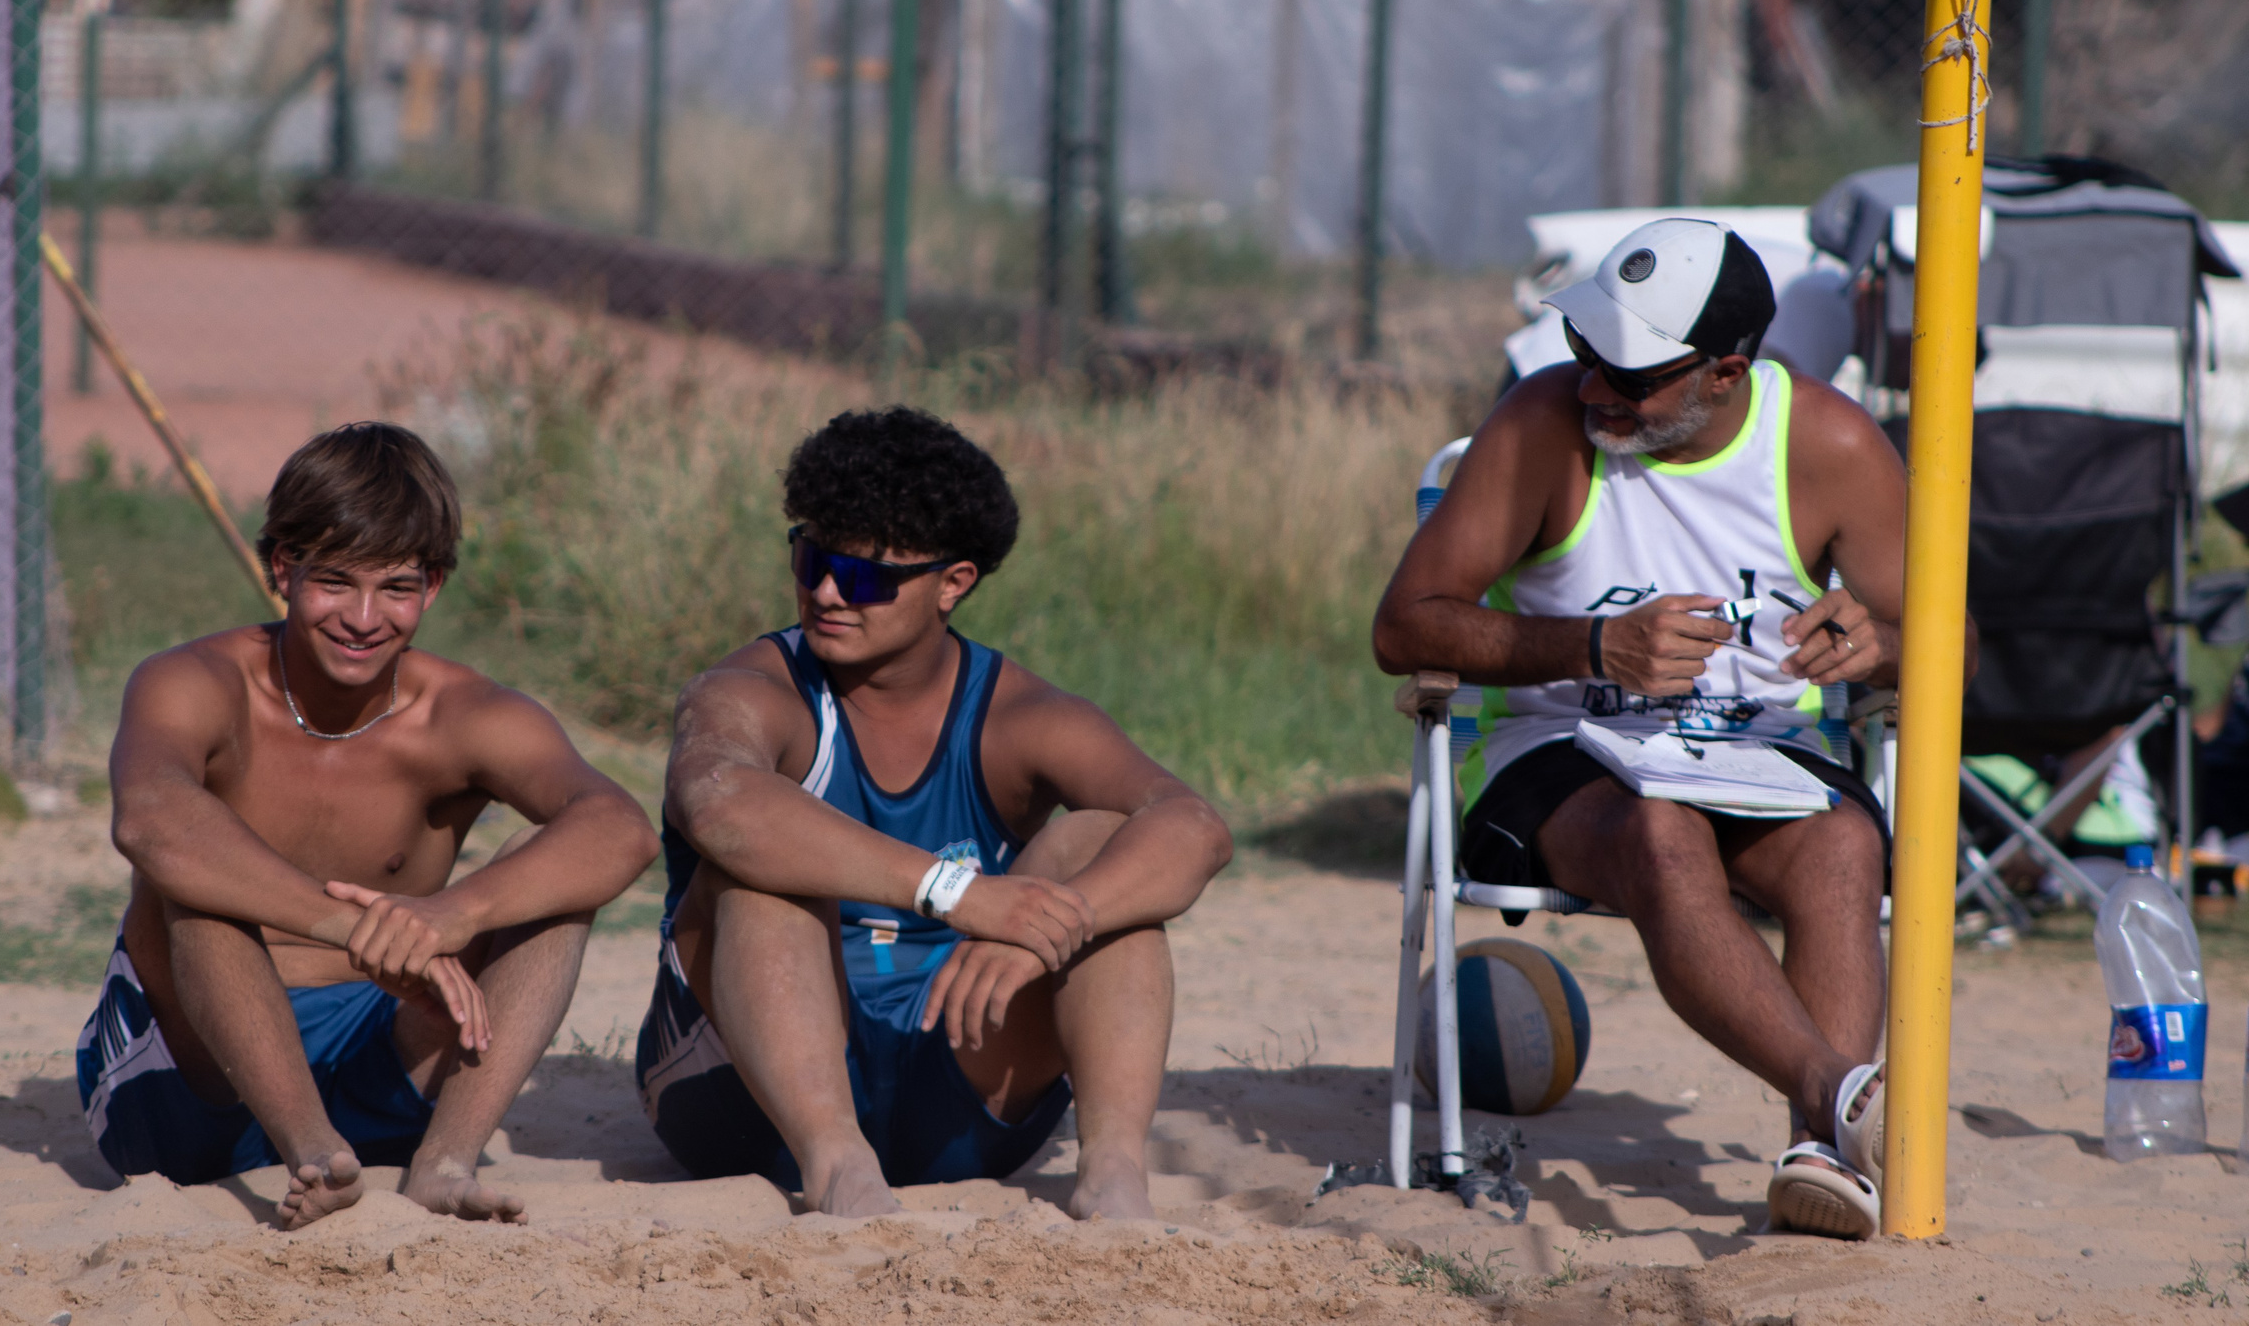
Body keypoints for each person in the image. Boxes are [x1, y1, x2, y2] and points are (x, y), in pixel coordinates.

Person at [1372, 218, 1970, 1242]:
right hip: (1559, 750)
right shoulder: (1543, 425)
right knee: (1660, 829)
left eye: (1630, 373)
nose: (1593, 385)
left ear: (1726, 373)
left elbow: (1953, 644)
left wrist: (1881, 645)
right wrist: (1593, 646)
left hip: (1757, 749)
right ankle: (1840, 1096)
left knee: (1844, 841)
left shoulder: (1825, 444)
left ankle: (1822, 1154)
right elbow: (1405, 626)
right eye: (1584, 350)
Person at [638, 406, 1233, 1220]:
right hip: (745, 1105)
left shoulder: (1023, 715)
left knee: (1100, 841)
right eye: (811, 557)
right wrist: (961, 893)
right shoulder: (750, 688)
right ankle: (838, 1165)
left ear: (954, 583)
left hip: (962, 1084)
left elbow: (1195, 827)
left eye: (868, 576)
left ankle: (1114, 1172)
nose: (827, 591)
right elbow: (718, 801)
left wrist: (1052, 923)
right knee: (761, 865)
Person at [79, 422, 659, 1229]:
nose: (362, 616)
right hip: (185, 1080)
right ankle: (314, 1153)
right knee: (197, 881)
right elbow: (150, 821)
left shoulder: (463, 713)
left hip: (378, 1050)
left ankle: (445, 1163)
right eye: (335, 581)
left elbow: (621, 828)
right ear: (283, 568)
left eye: (395, 587)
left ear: (434, 586)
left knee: (547, 872)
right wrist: (356, 926)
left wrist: (450, 915)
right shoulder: (193, 680)